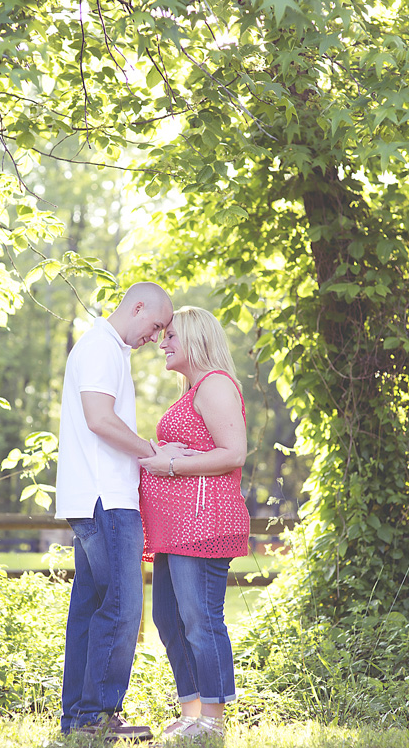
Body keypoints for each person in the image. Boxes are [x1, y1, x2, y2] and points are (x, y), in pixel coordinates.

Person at [55, 282, 177, 739]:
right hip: (105, 498)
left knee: (90, 607)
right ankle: (96, 718)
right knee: (123, 607)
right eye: (157, 324)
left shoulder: (106, 349)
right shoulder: (101, 347)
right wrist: (154, 455)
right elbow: (100, 419)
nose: (157, 336)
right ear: (137, 306)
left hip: (93, 497)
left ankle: (79, 720)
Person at [139, 306, 250, 742]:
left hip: (204, 525)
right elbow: (188, 451)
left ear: (195, 339)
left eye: (170, 336)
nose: (162, 343)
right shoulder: (193, 391)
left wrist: (168, 465)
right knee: (169, 617)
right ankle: (191, 713)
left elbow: (233, 453)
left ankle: (214, 719)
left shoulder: (216, 385)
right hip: (178, 528)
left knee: (201, 619)